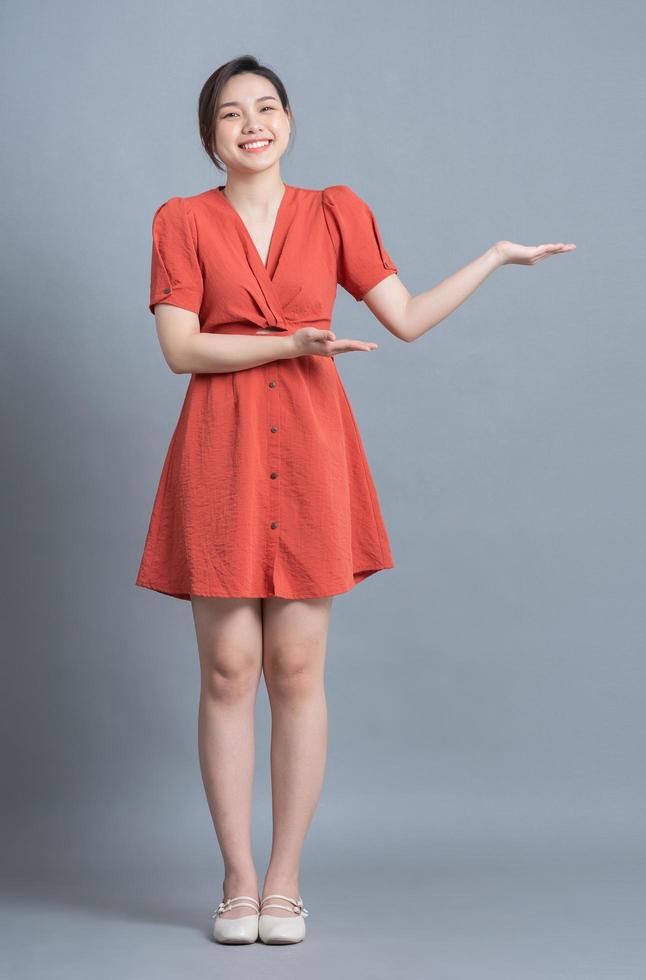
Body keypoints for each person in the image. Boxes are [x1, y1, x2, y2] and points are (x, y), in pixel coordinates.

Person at [135, 55, 575, 945]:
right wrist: (285, 343)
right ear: (209, 135)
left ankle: (286, 884)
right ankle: (237, 882)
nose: (251, 123)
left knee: (296, 671)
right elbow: (181, 350)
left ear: (289, 121)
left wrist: (493, 256)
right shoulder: (180, 221)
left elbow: (403, 317)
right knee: (227, 674)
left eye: (266, 107)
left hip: (309, 458)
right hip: (219, 457)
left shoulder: (335, 211)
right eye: (230, 113)